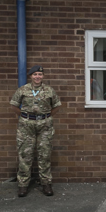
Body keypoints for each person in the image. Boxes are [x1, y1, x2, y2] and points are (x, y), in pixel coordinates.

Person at [10, 66, 62, 197]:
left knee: (44, 154)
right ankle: (23, 185)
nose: (37, 76)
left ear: (43, 76)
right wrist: (24, 116)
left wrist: (47, 116)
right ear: (30, 76)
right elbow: (14, 105)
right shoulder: (23, 90)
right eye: (35, 74)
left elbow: (56, 106)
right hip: (26, 126)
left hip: (44, 125)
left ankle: (46, 183)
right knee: (25, 155)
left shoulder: (49, 90)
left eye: (40, 74)